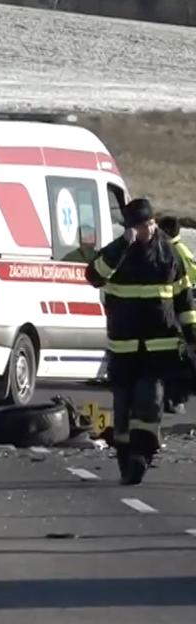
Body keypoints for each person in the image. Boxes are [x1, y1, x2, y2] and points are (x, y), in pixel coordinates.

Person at [86, 198, 196, 485]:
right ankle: (126, 458)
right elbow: (94, 275)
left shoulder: (168, 255)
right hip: (124, 348)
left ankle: (141, 457)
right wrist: (122, 245)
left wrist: (192, 335)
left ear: (153, 223)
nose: (145, 230)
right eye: (138, 226)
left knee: (150, 403)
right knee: (122, 412)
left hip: (159, 348)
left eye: (148, 224)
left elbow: (184, 299)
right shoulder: (117, 254)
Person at [158, 215, 196, 413]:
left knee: (178, 357)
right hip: (179, 305)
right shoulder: (180, 250)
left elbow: (186, 280)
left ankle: (175, 399)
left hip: (178, 306)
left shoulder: (173, 252)